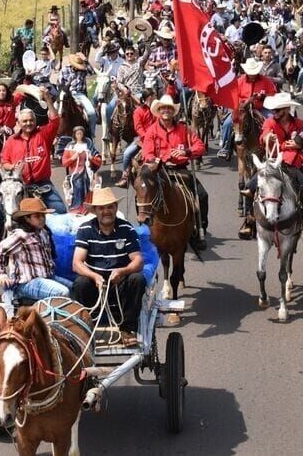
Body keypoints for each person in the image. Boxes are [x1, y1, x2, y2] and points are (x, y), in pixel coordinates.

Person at [240, 93, 303, 242]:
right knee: (250, 186)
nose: (275, 113)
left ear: (286, 109)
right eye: (274, 110)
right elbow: (263, 136)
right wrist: (268, 138)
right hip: (274, 164)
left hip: (295, 165)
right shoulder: (270, 122)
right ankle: (250, 220)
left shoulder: (299, 123)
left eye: (278, 110)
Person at [71, 188, 145, 346]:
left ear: (115, 209)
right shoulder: (85, 230)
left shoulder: (127, 229)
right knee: (80, 283)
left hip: (119, 283)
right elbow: (77, 263)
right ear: (95, 211)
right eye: (102, 208)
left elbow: (138, 260)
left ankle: (127, 329)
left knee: (137, 279)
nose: (106, 211)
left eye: (110, 207)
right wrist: (94, 276)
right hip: (95, 285)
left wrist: (123, 271)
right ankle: (85, 329)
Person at [141, 95, 209, 249]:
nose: (166, 110)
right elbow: (147, 153)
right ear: (158, 111)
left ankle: (200, 229)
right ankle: (144, 227)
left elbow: (200, 147)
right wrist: (164, 157)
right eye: (163, 108)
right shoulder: (152, 130)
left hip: (180, 171)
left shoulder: (184, 129)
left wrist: (187, 151)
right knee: (143, 193)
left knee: (203, 195)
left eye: (169, 108)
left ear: (173, 112)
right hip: (160, 170)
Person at [0, 103, 64, 241]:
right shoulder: (11, 141)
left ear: (35, 121)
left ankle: (56, 246)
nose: (28, 123)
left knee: (60, 210)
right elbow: (4, 161)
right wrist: (13, 167)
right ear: (18, 123)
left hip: (41, 185)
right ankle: (1, 245)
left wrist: (47, 99)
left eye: (31, 120)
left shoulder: (44, 134)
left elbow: (55, 120)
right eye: (24, 121)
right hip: (17, 185)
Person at [0, 198, 70, 311]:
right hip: (27, 283)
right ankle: (56, 323)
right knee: (62, 292)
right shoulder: (21, 235)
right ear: (27, 218)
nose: (41, 219)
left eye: (43, 216)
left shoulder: (43, 233)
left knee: (74, 289)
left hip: (47, 278)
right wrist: (1, 274)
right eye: (37, 216)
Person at [217, 58, 277, 159]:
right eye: (250, 73)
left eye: (254, 73)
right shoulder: (240, 81)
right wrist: (246, 102)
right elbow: (234, 95)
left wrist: (262, 96)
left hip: (261, 108)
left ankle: (273, 149)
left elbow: (273, 93)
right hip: (242, 109)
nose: (252, 75)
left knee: (273, 122)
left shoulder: (265, 81)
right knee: (227, 123)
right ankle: (225, 148)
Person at [62, 126, 102, 213]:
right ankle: (77, 207)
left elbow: (99, 161)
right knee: (78, 185)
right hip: (75, 173)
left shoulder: (88, 145)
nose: (79, 135)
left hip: (87, 172)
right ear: (74, 135)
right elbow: (64, 162)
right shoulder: (70, 147)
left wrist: (91, 157)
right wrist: (72, 158)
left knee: (88, 185)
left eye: (81, 133)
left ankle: (87, 205)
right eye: (77, 133)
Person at [59, 54, 98, 137]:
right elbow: (59, 83)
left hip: (80, 93)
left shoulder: (83, 70)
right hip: (66, 93)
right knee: (55, 111)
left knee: (92, 113)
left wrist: (86, 60)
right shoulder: (64, 70)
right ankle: (55, 134)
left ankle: (91, 133)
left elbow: (92, 72)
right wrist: (65, 90)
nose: (78, 67)